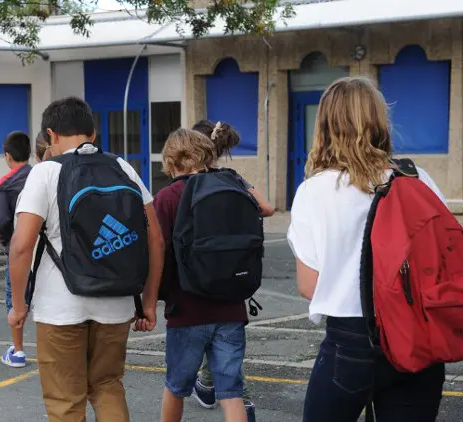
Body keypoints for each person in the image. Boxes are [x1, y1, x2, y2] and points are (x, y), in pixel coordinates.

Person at [287, 76, 446, 421]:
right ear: (379, 121)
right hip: (417, 335)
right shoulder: (417, 178)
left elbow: (309, 286)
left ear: (325, 125)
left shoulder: (315, 191)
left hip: (351, 339)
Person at [7, 97, 164, 421]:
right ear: (93, 133)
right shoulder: (122, 168)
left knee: (65, 401)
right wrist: (148, 302)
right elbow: (155, 239)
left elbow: (21, 246)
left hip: (59, 307)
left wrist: (19, 305)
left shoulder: (45, 173)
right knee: (108, 386)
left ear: (50, 135)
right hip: (116, 303)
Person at [155, 128, 251, 422]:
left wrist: (152, 298)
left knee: (175, 388)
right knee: (231, 393)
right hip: (232, 308)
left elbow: (159, 253)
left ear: (170, 160)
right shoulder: (232, 188)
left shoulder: (168, 197)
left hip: (186, 310)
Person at [191, 120, 274, 418]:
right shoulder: (233, 179)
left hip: (200, 272)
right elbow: (267, 207)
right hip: (234, 270)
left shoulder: (190, 183)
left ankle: (234, 397)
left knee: (207, 333)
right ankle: (209, 384)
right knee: (225, 332)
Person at [0, 131, 33, 367]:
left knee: (16, 297)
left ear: (7, 156)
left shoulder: (5, 184)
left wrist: (5, 237)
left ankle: (18, 350)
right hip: (44, 248)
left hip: (18, 249)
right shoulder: (39, 176)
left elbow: (1, 219)